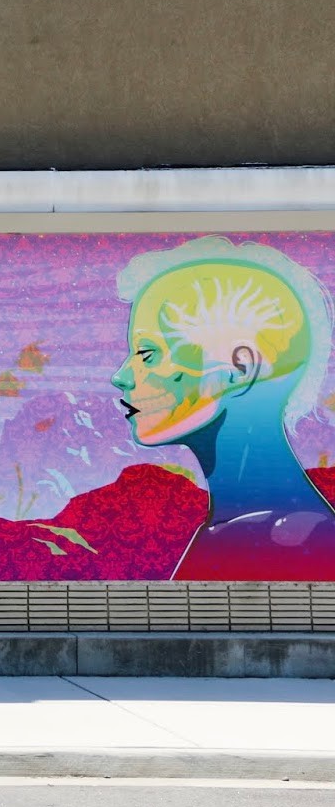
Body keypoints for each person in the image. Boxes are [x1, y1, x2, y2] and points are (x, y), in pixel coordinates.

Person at [112, 236, 335, 580]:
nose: (122, 376)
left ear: (240, 368)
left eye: (147, 354)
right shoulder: (251, 527)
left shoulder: (283, 538)